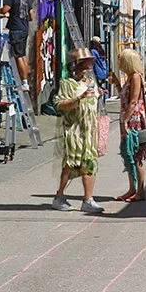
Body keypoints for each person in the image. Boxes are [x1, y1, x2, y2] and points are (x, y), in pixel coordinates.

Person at [51, 49, 104, 214]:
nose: (89, 66)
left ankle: (88, 199)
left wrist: (99, 95)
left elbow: (93, 101)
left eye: (90, 63)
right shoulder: (67, 83)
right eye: (86, 63)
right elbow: (59, 105)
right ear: (76, 65)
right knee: (71, 165)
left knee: (89, 164)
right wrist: (78, 99)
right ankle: (59, 196)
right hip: (74, 130)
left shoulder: (91, 81)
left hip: (89, 130)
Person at [113, 47, 146, 202]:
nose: (120, 64)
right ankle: (132, 189)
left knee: (135, 154)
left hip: (134, 121)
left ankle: (140, 191)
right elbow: (124, 97)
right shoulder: (130, 77)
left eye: (121, 60)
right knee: (127, 154)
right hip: (127, 119)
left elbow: (133, 101)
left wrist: (125, 120)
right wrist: (117, 84)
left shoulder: (136, 77)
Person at [0, 0, 35, 84]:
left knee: (18, 56)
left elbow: (4, 10)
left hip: (16, 29)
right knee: (23, 55)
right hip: (24, 29)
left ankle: (23, 81)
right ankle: (26, 81)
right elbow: (32, 16)